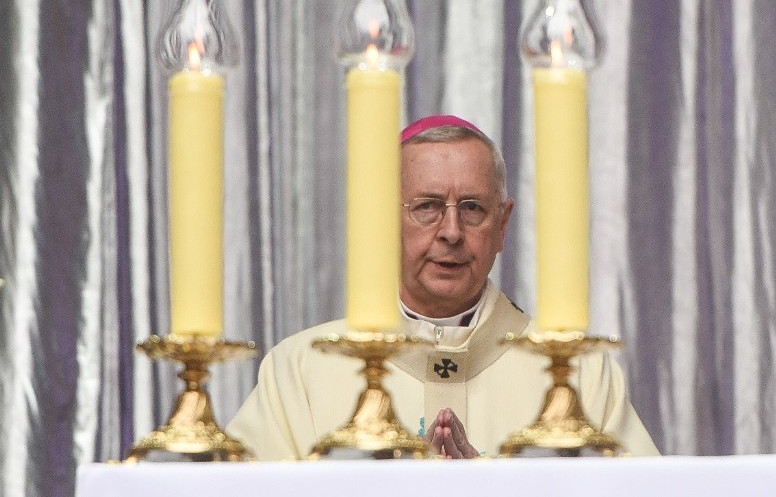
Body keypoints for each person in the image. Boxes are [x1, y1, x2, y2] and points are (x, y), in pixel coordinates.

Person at [227, 114, 659, 459]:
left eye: (472, 208)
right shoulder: (299, 372)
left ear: (503, 225)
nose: (451, 231)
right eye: (427, 207)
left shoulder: (582, 375)